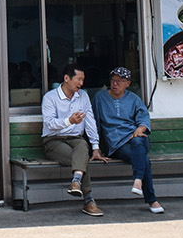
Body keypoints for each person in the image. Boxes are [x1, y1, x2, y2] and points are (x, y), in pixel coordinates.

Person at [94, 67, 163, 214]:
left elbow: (143, 118)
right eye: (113, 80)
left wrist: (140, 129)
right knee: (144, 160)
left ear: (128, 83)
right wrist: (96, 147)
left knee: (138, 141)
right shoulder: (100, 98)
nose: (115, 84)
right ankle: (151, 199)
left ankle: (138, 180)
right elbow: (95, 123)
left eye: (120, 81)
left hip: (136, 138)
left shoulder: (133, 99)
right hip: (117, 143)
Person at [40, 64, 104, 217]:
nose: (81, 83)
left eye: (83, 80)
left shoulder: (83, 96)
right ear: (66, 78)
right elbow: (49, 123)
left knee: (82, 145)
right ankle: (88, 200)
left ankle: (76, 181)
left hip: (76, 139)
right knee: (81, 159)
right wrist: (69, 121)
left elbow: (90, 121)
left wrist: (95, 146)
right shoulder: (50, 97)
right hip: (53, 140)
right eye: (78, 79)